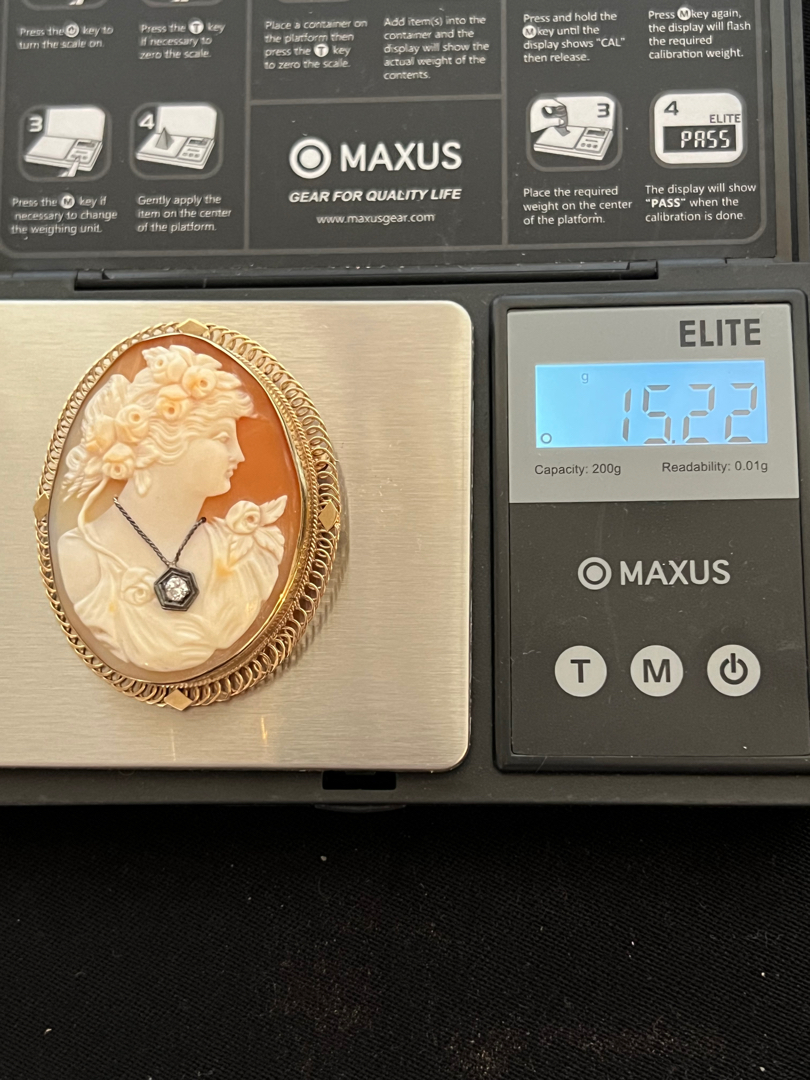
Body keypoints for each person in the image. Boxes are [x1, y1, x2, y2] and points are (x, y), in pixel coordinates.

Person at [57, 343, 288, 673]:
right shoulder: (81, 558)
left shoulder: (247, 555)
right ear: (164, 441)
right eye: (223, 438)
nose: (238, 455)